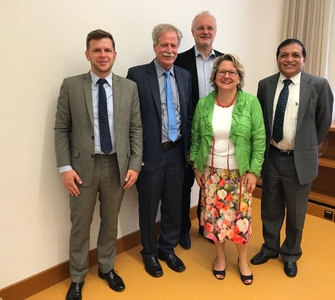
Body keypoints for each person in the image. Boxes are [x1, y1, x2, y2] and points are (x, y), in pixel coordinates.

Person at [54, 29, 143, 300]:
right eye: (97, 50)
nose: (102, 55)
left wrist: (135, 163)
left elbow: (136, 128)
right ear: (87, 54)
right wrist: (65, 168)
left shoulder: (129, 87)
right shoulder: (71, 85)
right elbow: (61, 129)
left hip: (117, 166)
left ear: (114, 54)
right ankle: (78, 277)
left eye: (107, 50)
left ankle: (106, 268)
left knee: (110, 222)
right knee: (80, 225)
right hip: (81, 170)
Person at [251, 38, 333, 278]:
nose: (289, 59)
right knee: (269, 207)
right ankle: (269, 248)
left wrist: (306, 146)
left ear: (303, 59)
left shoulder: (318, 85)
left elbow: (323, 122)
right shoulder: (265, 85)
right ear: (277, 59)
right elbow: (262, 123)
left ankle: (291, 254)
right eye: (284, 55)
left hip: (299, 160)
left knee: (296, 212)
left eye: (295, 55)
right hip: (272, 157)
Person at [190, 54, 266, 285]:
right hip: (212, 173)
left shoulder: (251, 103)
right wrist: (196, 165)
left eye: (232, 72)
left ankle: (242, 260)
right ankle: (220, 257)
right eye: (222, 72)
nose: (226, 76)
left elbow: (259, 139)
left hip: (240, 173)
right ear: (214, 77)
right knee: (215, 219)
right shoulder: (204, 103)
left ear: (239, 78)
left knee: (240, 220)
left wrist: (253, 170)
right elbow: (195, 138)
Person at [126, 24, 192, 278]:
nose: (169, 50)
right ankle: (150, 253)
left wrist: (189, 151)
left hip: (177, 152)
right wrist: (135, 155)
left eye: (173, 45)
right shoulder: (137, 75)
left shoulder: (184, 76)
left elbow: (186, 116)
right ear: (154, 46)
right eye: (164, 44)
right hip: (150, 153)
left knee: (174, 205)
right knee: (148, 205)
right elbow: (129, 120)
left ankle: (168, 248)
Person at [174, 11, 223, 249]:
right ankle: (184, 227)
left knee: (212, 182)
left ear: (215, 32)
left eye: (210, 28)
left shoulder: (226, 61)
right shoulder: (179, 60)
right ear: (193, 32)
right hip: (189, 134)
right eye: (200, 28)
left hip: (220, 134)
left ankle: (207, 225)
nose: (205, 32)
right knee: (186, 184)